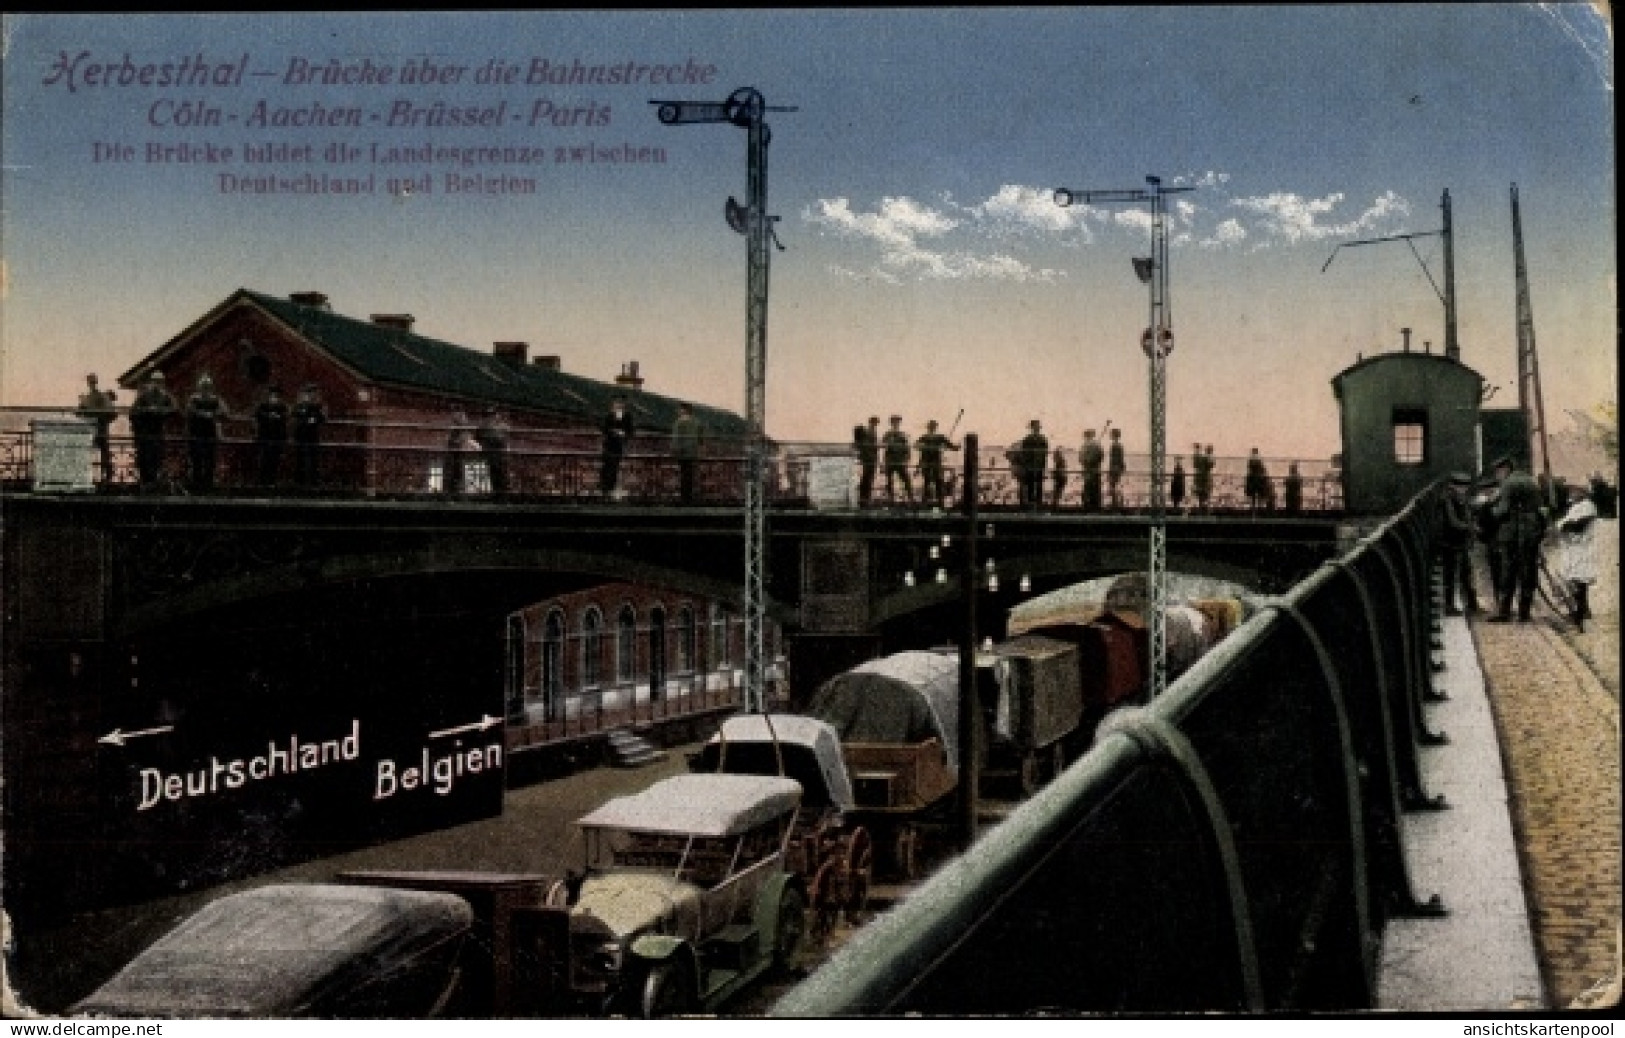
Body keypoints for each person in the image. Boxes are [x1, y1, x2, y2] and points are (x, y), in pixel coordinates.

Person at [1489, 456, 1546, 623]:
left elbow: (1502, 510)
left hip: (1512, 534)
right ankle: (1524, 613)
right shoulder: (1531, 481)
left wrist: (1489, 508)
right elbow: (1541, 508)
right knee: (1528, 572)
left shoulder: (1508, 483)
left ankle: (1504, 612)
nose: (1497, 476)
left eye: (1498, 472)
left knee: (1508, 572)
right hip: (1531, 532)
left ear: (1505, 469)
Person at [1556, 483, 1599, 632]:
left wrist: (1562, 526)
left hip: (1581, 549)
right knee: (1573, 581)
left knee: (1579, 583)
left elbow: (1577, 525)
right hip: (1572, 549)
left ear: (1583, 492)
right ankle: (1581, 611)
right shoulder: (1575, 506)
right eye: (1571, 490)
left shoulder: (1588, 506)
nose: (1571, 493)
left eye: (1575, 490)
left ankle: (1579, 618)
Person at [129, 371, 177, 491]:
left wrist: (162, 411)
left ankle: (154, 482)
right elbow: (134, 411)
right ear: (152, 382)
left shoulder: (165, 396)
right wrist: (148, 410)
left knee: (157, 456)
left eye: (160, 382)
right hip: (144, 431)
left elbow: (174, 409)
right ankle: (145, 482)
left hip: (158, 431)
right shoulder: (144, 395)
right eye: (155, 381)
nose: (158, 384)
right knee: (144, 457)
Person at [1438, 472, 1477, 615]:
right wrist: (1470, 527)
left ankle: (1471, 604)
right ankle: (1449, 606)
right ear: (1453, 486)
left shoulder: (1458, 498)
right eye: (1461, 487)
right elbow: (1452, 522)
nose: (1464, 489)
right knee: (1451, 574)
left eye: (1465, 487)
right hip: (1450, 542)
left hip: (1458, 542)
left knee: (1464, 571)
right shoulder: (1447, 500)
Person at [185, 374, 227, 492]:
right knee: (196, 460)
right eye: (204, 386)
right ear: (200, 387)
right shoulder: (194, 399)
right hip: (196, 434)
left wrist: (213, 414)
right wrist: (203, 414)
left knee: (210, 460)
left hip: (209, 434)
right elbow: (190, 410)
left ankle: (208, 484)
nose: (205, 389)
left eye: (207, 386)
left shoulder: (215, 399)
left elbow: (224, 411)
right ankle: (196, 484)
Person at [76, 373, 118, 485]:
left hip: (94, 429)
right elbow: (113, 414)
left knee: (95, 452)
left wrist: (84, 409)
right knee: (103, 453)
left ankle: (98, 476)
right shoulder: (97, 397)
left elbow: (79, 413)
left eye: (91, 382)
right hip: (98, 428)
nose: (91, 384)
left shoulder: (91, 398)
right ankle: (106, 477)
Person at [916, 419, 960, 507]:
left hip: (936, 462)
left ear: (935, 428)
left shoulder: (940, 437)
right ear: (928, 428)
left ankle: (939, 502)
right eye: (930, 427)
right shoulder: (924, 437)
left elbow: (950, 445)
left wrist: (956, 447)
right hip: (927, 461)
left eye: (933, 427)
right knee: (928, 481)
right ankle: (925, 502)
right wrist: (923, 446)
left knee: (938, 481)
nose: (932, 429)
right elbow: (916, 445)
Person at [253, 386, 290, 487]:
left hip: (277, 437)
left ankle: (272, 480)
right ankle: (262, 481)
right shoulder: (262, 406)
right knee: (264, 459)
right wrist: (268, 416)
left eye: (276, 396)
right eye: (272, 395)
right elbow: (256, 416)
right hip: (264, 436)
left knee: (275, 460)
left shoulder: (283, 407)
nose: (274, 398)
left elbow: (286, 418)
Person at [291, 384, 326, 488]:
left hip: (312, 435)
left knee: (313, 459)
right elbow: (294, 414)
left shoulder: (316, 407)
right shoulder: (299, 406)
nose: (309, 396)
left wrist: (315, 419)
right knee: (300, 458)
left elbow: (322, 417)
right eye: (307, 393)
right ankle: (300, 480)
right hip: (301, 434)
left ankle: (312, 480)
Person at [600, 396, 635, 497]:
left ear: (623, 406)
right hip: (608, 444)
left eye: (620, 404)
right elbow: (604, 428)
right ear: (613, 405)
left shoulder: (627, 416)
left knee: (614, 467)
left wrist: (624, 434)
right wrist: (613, 431)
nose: (618, 406)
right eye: (616, 404)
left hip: (619, 445)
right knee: (606, 466)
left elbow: (631, 431)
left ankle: (611, 488)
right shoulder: (609, 415)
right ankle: (604, 489)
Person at [474, 406, 511, 498]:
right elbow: (476, 439)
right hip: (497, 456)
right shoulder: (486, 427)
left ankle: (501, 496)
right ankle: (501, 496)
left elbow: (477, 439)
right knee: (499, 477)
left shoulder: (490, 426)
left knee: (500, 477)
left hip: (497, 456)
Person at [671, 403, 701, 504]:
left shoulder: (678, 423)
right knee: (689, 474)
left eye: (680, 409)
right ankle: (689, 497)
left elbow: (675, 439)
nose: (678, 411)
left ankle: (684, 497)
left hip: (682, 452)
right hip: (692, 452)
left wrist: (674, 451)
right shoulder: (696, 422)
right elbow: (701, 438)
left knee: (684, 474)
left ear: (684, 410)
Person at [882, 416, 913, 505]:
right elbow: (884, 445)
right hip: (890, 460)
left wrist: (907, 459)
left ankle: (910, 497)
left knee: (906, 479)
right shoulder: (887, 434)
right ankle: (890, 498)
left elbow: (907, 448)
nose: (896, 424)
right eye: (894, 422)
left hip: (900, 461)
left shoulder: (903, 435)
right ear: (891, 423)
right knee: (889, 480)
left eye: (897, 422)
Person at [1019, 420, 1048, 511]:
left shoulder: (1028, 439)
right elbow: (1044, 454)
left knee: (1033, 485)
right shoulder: (1041, 439)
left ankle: (1033, 504)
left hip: (1032, 466)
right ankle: (1037, 504)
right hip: (1036, 466)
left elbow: (1024, 454)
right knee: (1036, 485)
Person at [855, 416, 880, 506]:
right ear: (870, 423)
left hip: (870, 458)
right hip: (868, 458)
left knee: (868, 478)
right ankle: (864, 499)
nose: (875, 425)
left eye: (876, 423)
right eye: (874, 423)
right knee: (867, 478)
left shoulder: (872, 432)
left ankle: (865, 498)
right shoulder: (868, 432)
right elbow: (867, 446)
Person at [1080, 429, 1105, 513]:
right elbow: (1101, 456)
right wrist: (1095, 463)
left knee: (1087, 489)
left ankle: (1087, 508)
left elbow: (1080, 459)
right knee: (1096, 490)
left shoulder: (1084, 446)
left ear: (1086, 436)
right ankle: (1096, 508)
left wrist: (1086, 463)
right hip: (1096, 470)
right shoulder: (1097, 445)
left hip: (1087, 470)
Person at [1244, 448, 1272, 514]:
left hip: (1251, 479)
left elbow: (1249, 469)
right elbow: (1263, 469)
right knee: (1260, 495)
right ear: (1257, 452)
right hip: (1259, 479)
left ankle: (1253, 509)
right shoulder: (1259, 459)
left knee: (1253, 496)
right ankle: (1260, 509)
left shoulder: (1250, 459)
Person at [1107, 428, 1126, 510]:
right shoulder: (1119, 445)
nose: (1110, 435)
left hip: (1114, 468)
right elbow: (1121, 459)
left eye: (1111, 434)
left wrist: (1110, 470)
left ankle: (1115, 504)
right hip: (1118, 468)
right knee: (1116, 486)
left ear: (1114, 435)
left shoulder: (1114, 445)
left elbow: (1113, 459)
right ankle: (1117, 503)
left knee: (1113, 486)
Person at [1192, 443, 1214, 513]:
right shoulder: (1204, 458)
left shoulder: (1200, 458)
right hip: (1204, 479)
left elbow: (1195, 465)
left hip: (1201, 479)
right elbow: (1210, 466)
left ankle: (1202, 509)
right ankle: (1203, 509)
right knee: (1204, 496)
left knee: (1202, 496)